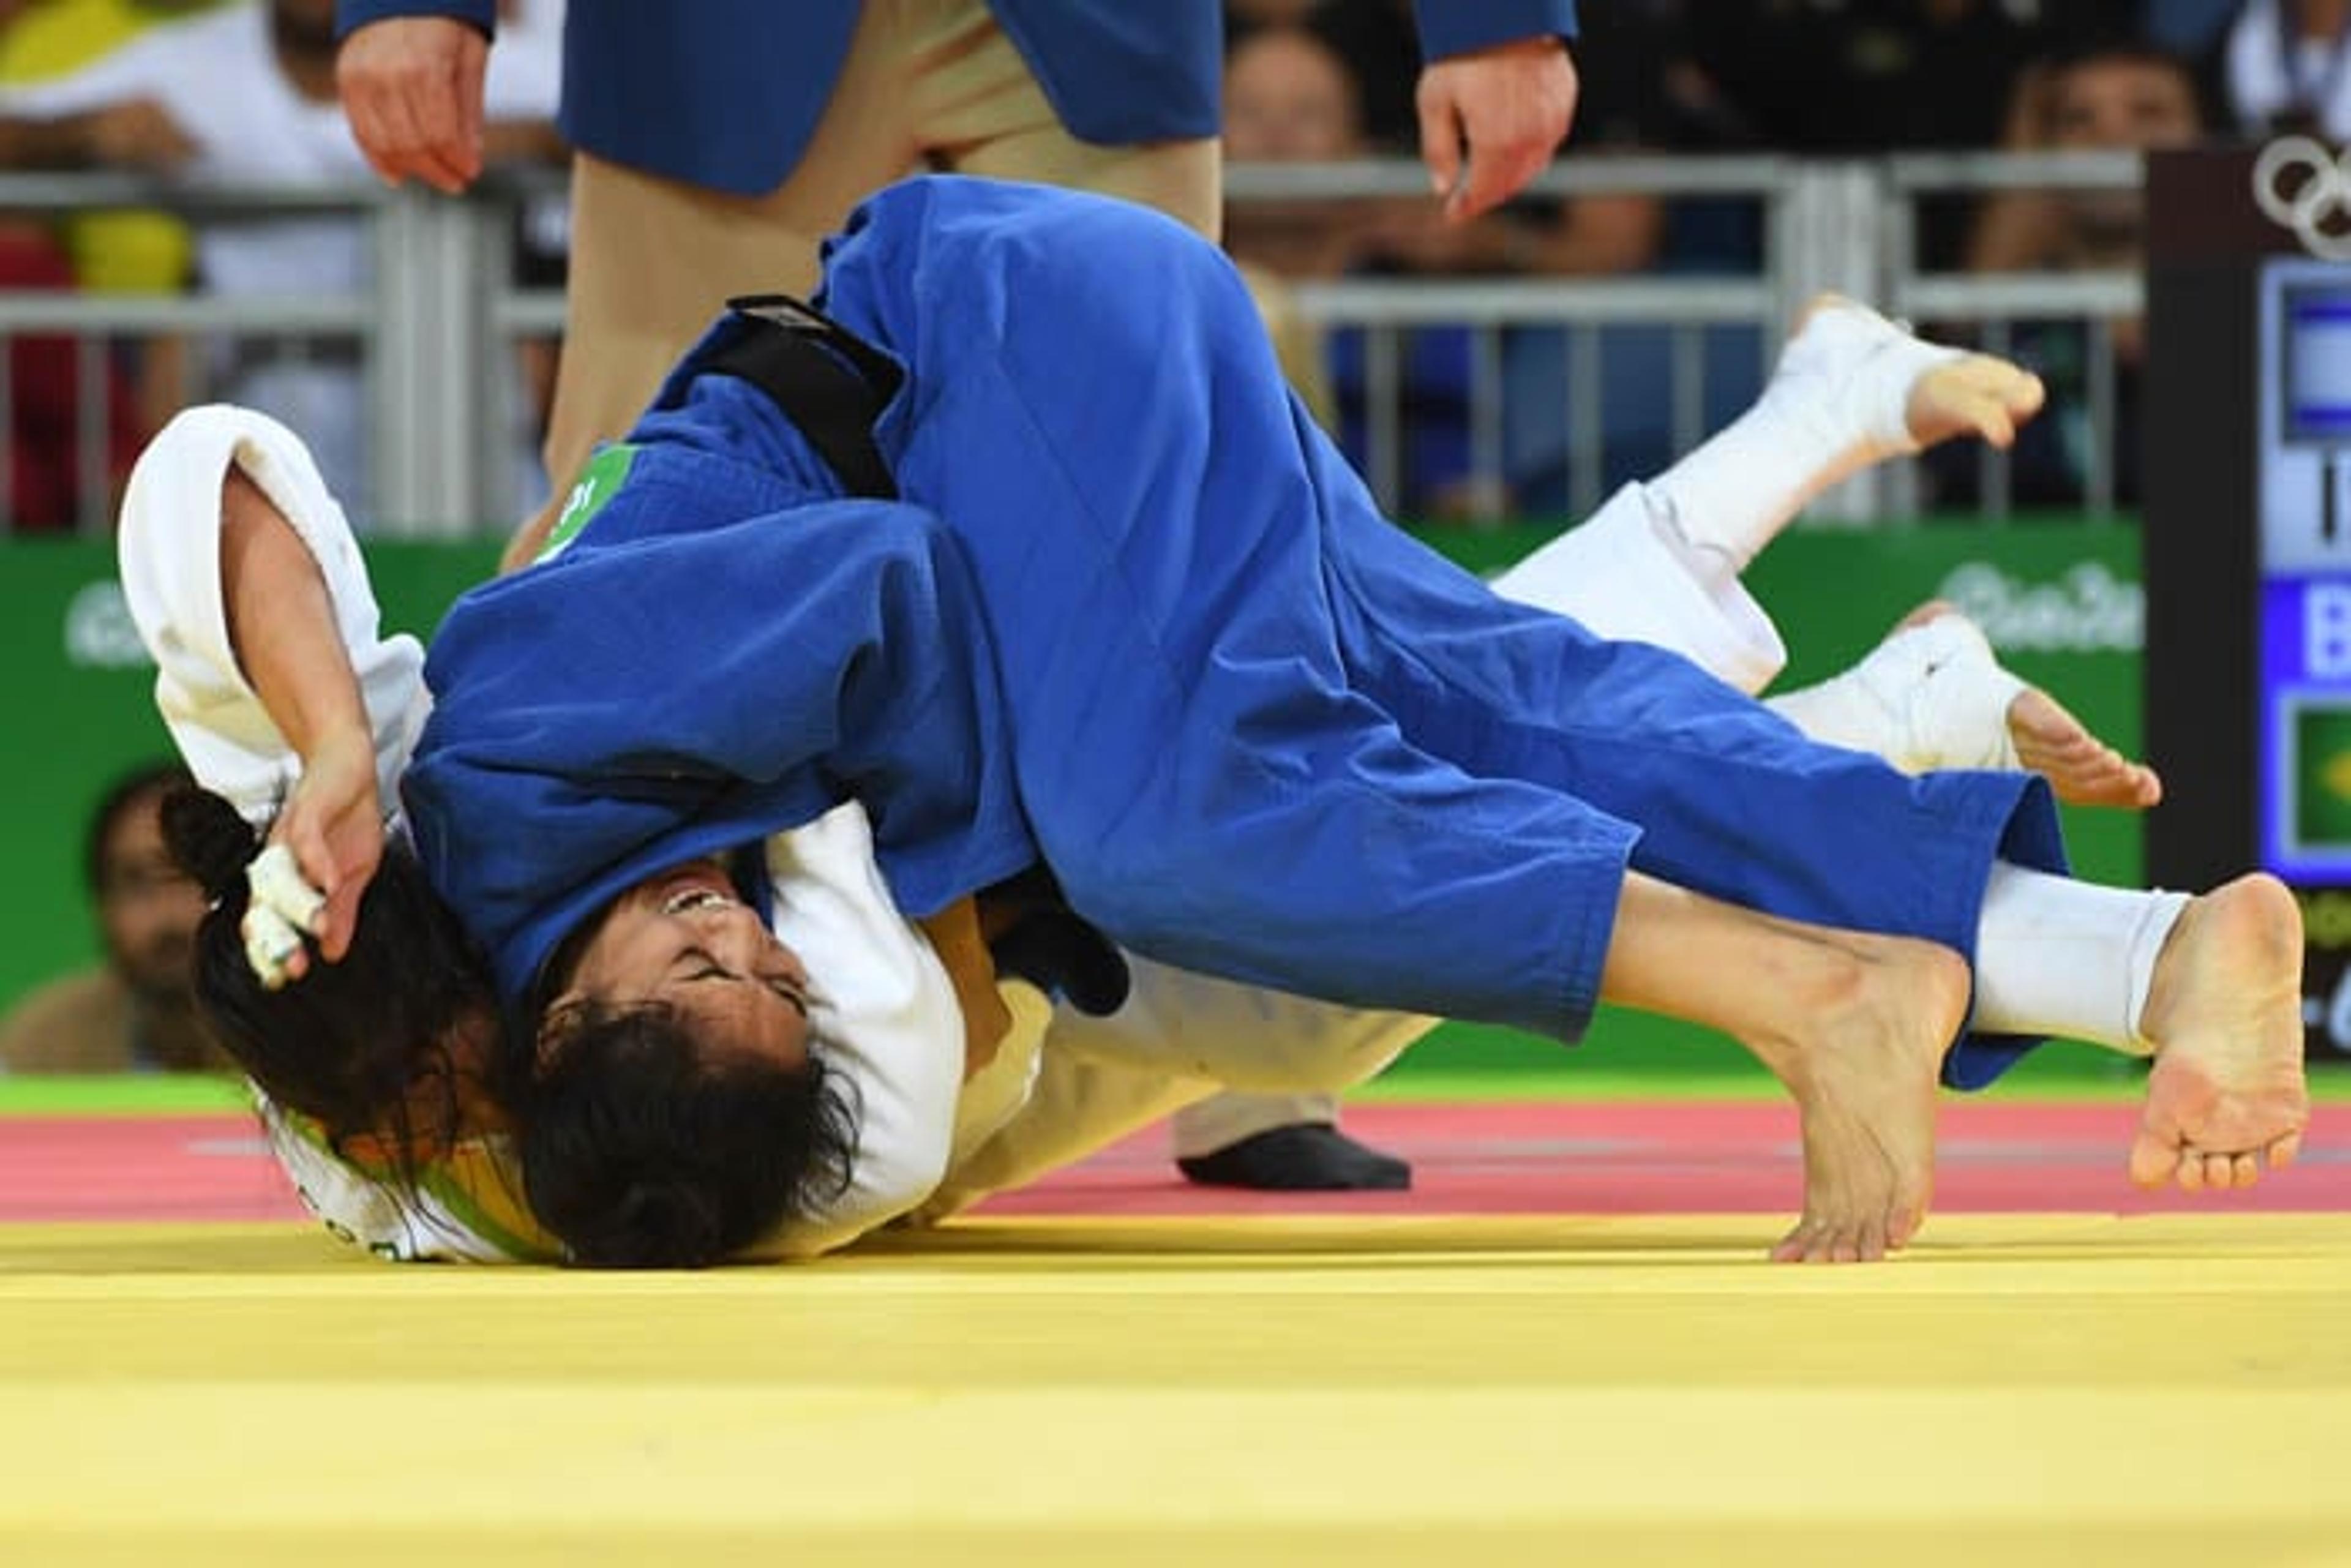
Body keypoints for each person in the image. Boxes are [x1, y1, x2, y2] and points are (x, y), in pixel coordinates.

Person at [152, 176, 2296, 1273]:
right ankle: (2163, 950)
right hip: (1064, 430)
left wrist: (337, 753)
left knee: (1180, 833)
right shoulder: (475, 1134)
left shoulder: (486, 769)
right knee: (1510, 718)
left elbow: (897, 598)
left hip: (987, 344)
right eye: (766, 961)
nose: (754, 922)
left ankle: (1812, 998)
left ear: (530, 1014)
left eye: (699, 938)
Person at [332, 0, 1579, 1192]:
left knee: (1186, 503)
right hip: (706, 37)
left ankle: (1259, 1063)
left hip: (1084, 32)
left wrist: (1491, 14)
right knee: (626, 528)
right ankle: (584, 1042)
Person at [0, 760, 229, 1073]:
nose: (166, 914)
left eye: (186, 875)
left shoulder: (297, 1036)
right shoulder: (39, 1049)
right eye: (136, 882)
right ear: (101, 905)